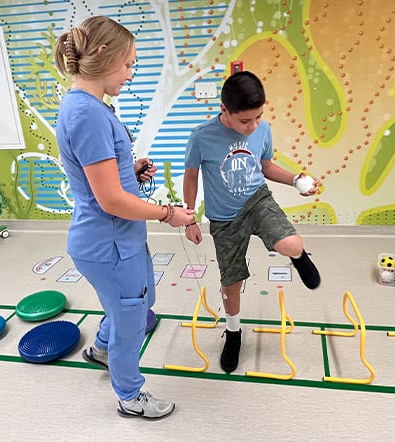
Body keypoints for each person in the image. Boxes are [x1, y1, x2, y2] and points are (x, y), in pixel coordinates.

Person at [54, 16, 193, 420]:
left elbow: (102, 179)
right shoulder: (88, 114)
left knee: (137, 303)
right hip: (108, 242)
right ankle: (131, 396)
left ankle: (100, 349)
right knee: (132, 319)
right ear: (103, 55)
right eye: (128, 64)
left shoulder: (87, 105)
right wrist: (169, 214)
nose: (131, 74)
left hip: (117, 239)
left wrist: (130, 172)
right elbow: (111, 200)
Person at [182, 70, 321, 374]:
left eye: (258, 117)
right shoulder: (201, 136)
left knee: (291, 242)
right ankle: (234, 334)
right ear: (224, 110)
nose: (253, 125)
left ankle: (299, 257)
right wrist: (189, 218)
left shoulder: (262, 129)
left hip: (257, 201)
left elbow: (266, 166)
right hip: (223, 218)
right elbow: (191, 176)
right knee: (231, 284)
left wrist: (296, 179)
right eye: (245, 120)